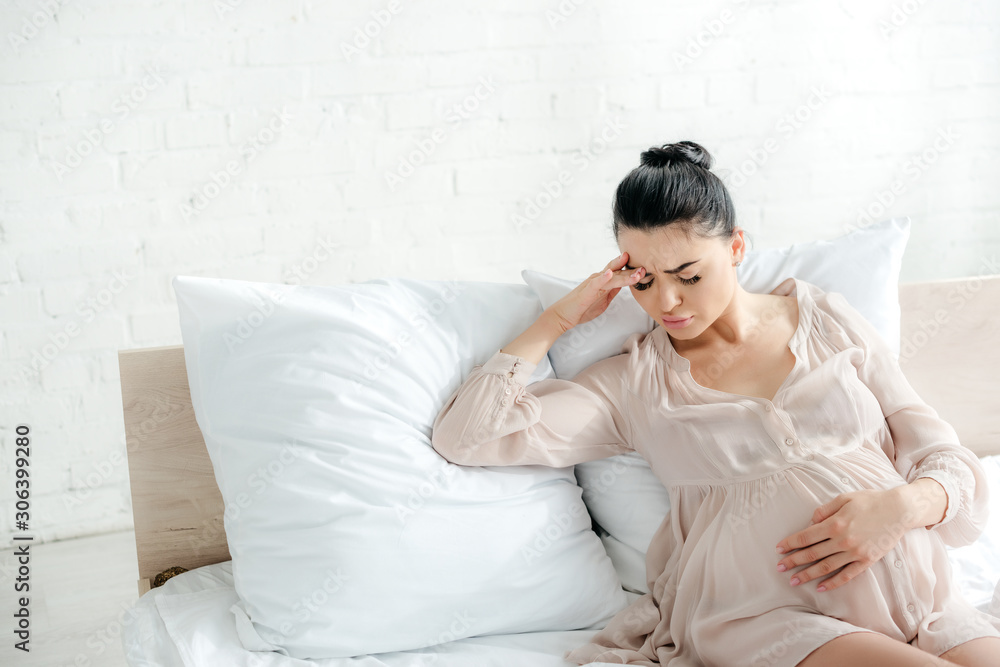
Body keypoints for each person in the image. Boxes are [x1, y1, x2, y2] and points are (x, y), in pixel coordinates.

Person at [430, 140, 1000, 667]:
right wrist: (559, 319)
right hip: (767, 619)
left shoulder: (826, 318)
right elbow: (467, 436)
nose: (668, 301)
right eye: (644, 280)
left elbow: (941, 453)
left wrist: (902, 506)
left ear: (737, 247)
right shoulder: (634, 383)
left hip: (929, 605)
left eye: (688, 274)